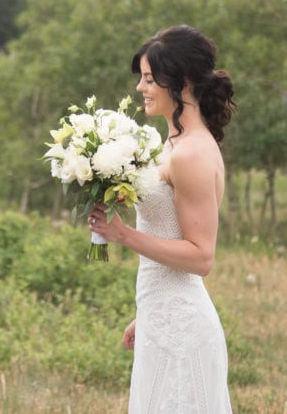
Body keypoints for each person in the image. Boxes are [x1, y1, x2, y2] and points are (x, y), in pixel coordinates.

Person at [88, 24, 235, 413]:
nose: (140, 87)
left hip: (185, 332)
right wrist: (148, 315)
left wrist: (121, 234)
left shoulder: (191, 154)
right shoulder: (173, 145)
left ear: (183, 82)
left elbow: (201, 257)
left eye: (150, 79)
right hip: (163, 320)